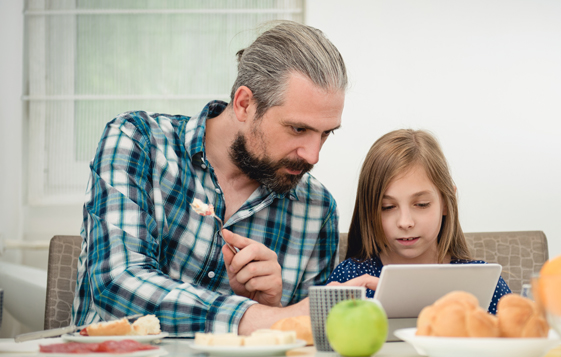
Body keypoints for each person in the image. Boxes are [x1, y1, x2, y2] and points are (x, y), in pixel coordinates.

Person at [72, 21, 348, 336]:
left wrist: (272, 306)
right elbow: (115, 285)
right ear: (245, 104)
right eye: (298, 129)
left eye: (326, 134)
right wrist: (255, 318)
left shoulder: (317, 209)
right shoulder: (139, 142)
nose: (313, 155)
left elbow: (306, 351)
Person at [327, 129, 511, 314]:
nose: (405, 222)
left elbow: (519, 336)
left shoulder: (484, 281)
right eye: (388, 207)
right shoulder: (350, 277)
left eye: (421, 204)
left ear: (447, 203)